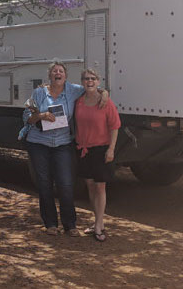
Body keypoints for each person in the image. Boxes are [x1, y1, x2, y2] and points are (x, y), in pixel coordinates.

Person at [22, 60, 107, 236]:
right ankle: (51, 224)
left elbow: (91, 88)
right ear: (50, 75)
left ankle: (70, 225)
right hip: (39, 143)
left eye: (60, 71)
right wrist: (41, 115)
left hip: (62, 143)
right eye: (54, 71)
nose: (57, 73)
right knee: (44, 184)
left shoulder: (73, 90)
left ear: (65, 75)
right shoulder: (39, 93)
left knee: (66, 184)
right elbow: (26, 117)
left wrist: (104, 92)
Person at [74, 68, 120, 242]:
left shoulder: (105, 102)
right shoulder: (78, 101)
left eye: (93, 78)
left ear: (98, 82)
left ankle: (100, 224)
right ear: (82, 82)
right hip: (84, 149)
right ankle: (96, 221)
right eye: (86, 79)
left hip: (101, 149)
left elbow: (115, 126)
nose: (90, 81)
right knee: (90, 186)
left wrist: (111, 149)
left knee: (100, 187)